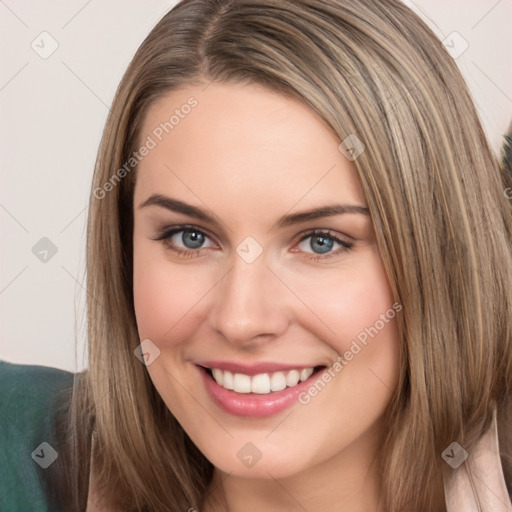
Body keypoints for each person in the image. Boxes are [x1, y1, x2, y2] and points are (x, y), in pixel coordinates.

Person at [1, 0, 512, 510]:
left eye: (321, 241)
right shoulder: (20, 451)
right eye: (190, 237)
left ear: (443, 256)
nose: (241, 320)